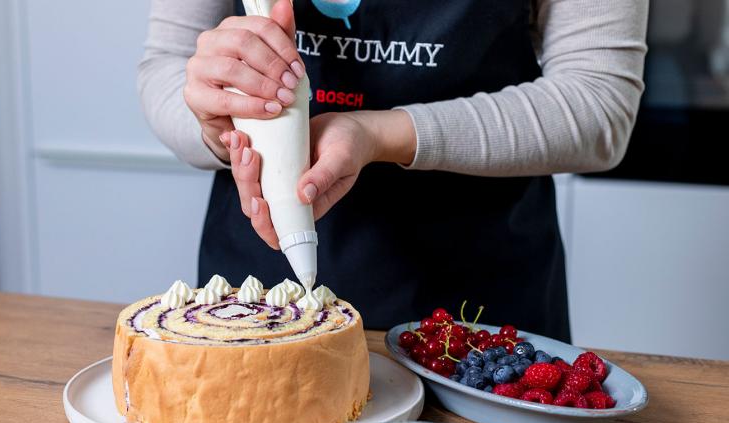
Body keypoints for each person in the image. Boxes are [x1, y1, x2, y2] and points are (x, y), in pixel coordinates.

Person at [138, 0, 648, 338]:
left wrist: (377, 134)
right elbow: (167, 66)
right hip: (254, 295)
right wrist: (220, 127)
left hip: (476, 310)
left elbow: (599, 105)